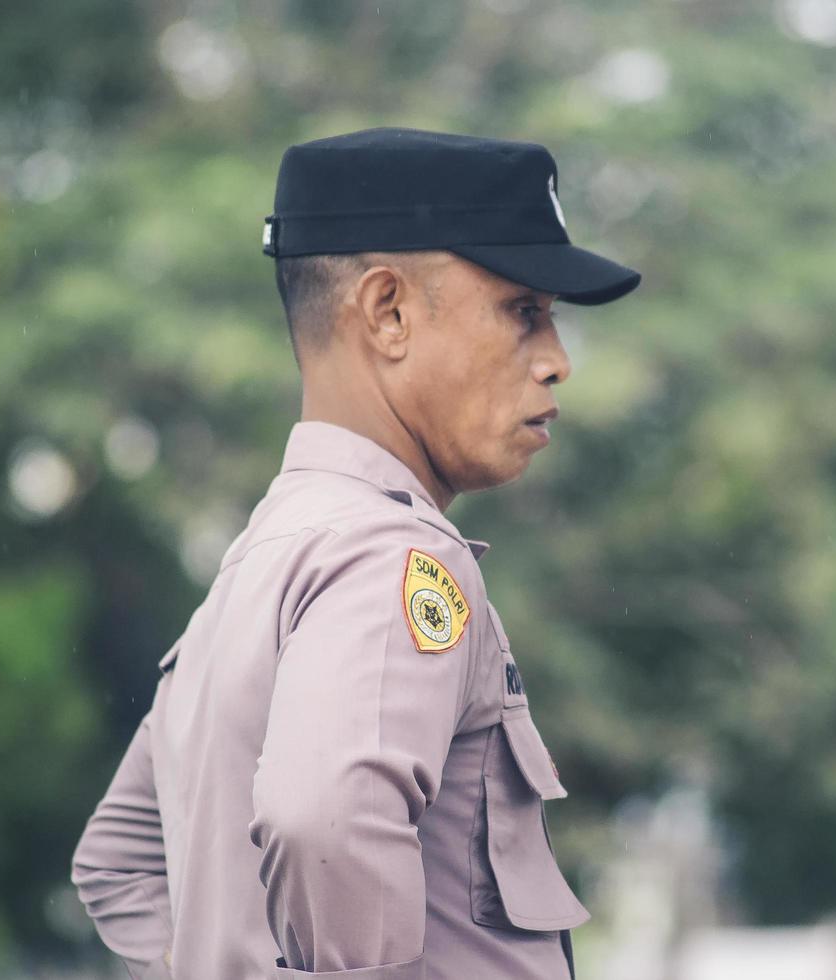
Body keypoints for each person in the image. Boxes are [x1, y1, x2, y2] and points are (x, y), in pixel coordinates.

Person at [70, 126, 642, 980]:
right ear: (389, 313)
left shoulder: (255, 563)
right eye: (523, 312)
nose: (556, 362)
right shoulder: (393, 557)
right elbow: (322, 817)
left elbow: (118, 863)